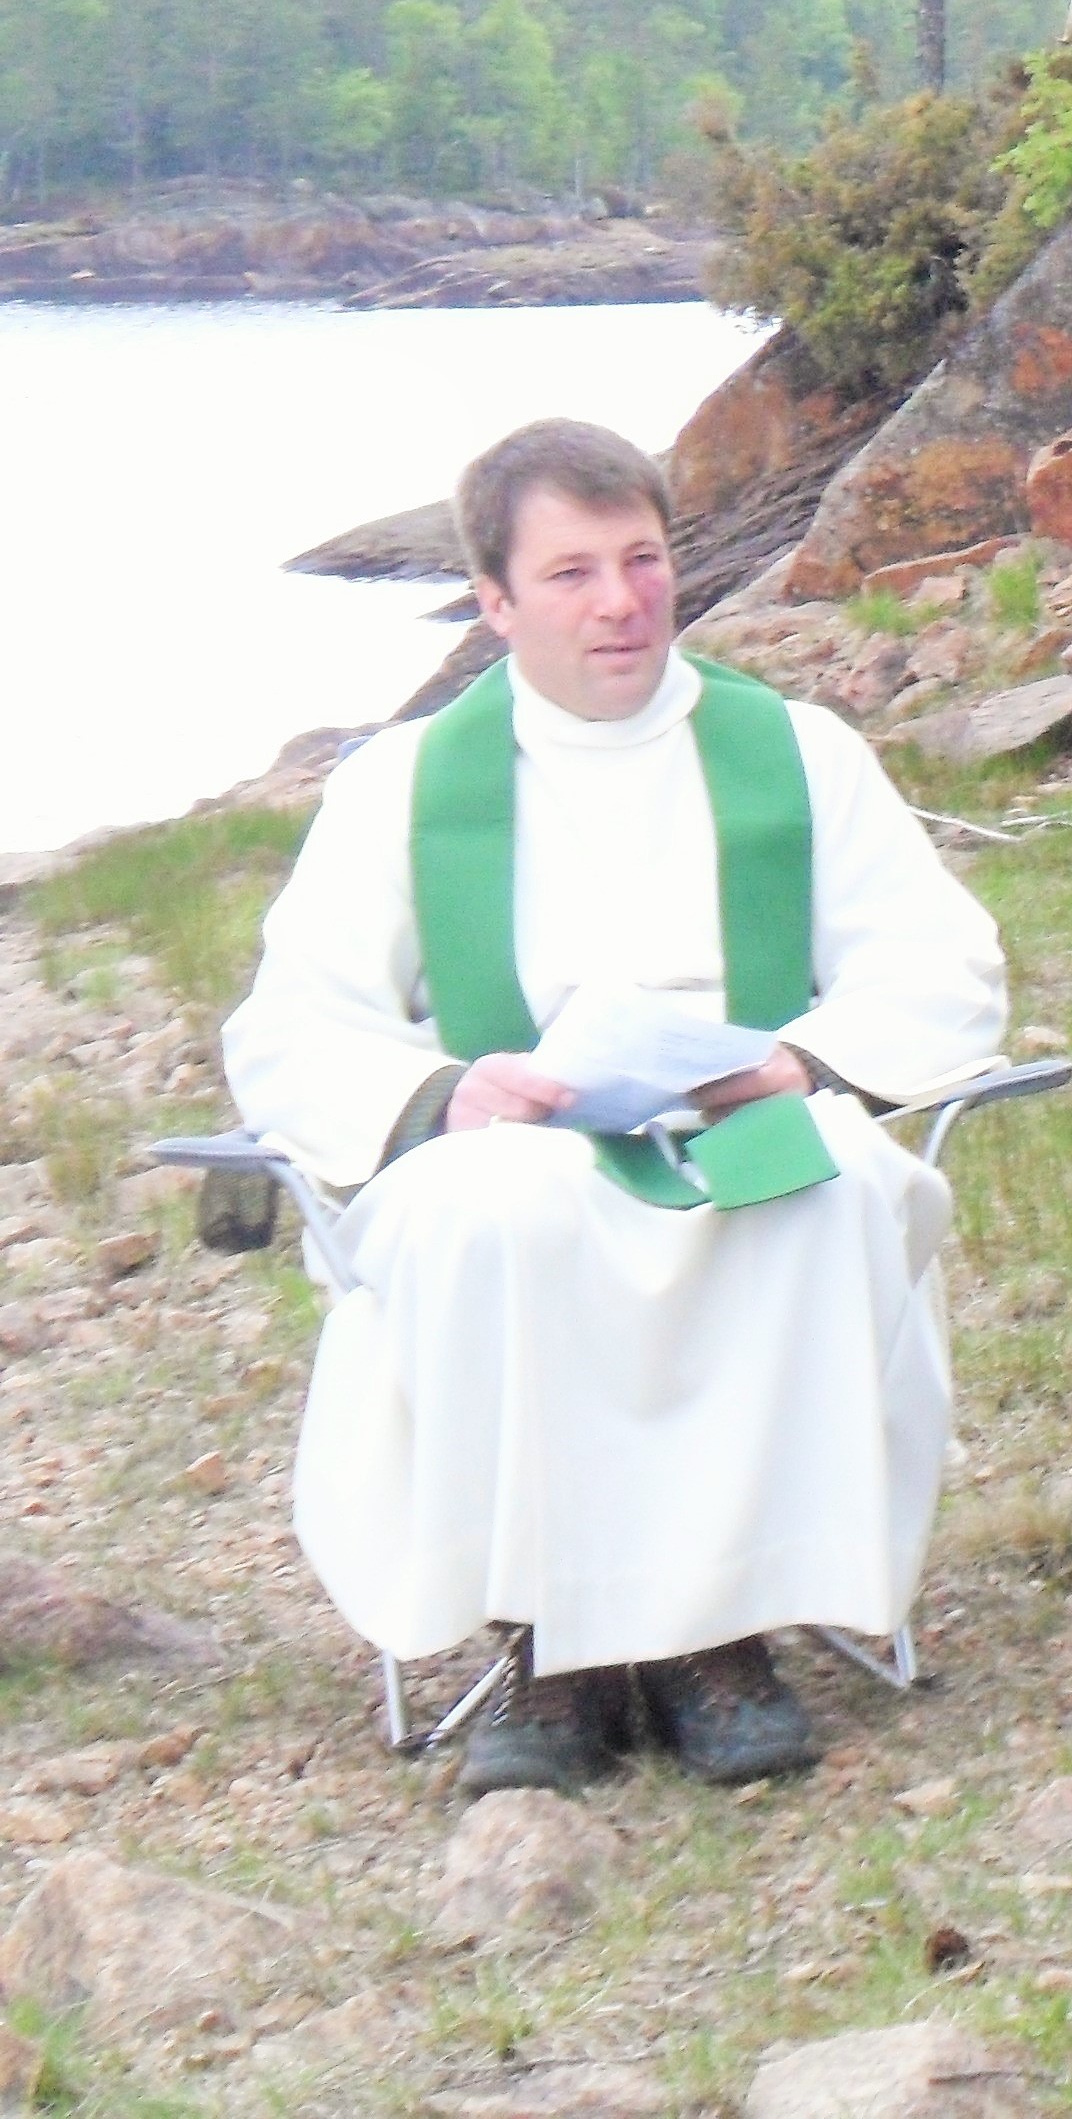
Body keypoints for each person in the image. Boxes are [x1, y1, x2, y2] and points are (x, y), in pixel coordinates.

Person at [222, 419, 1008, 1790]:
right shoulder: (406, 786)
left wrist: (799, 1062)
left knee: (816, 1193)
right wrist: (449, 1087)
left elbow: (940, 963)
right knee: (499, 1217)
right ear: (494, 601)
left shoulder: (794, 754)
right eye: (572, 573)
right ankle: (551, 1649)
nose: (622, 602)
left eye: (643, 560)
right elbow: (292, 1022)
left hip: (742, 1108)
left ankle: (725, 1639)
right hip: (514, 1135)